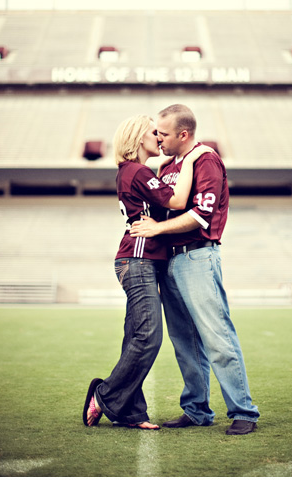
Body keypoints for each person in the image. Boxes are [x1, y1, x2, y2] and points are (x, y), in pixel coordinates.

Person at [130, 103, 259, 435]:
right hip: (170, 259)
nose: (158, 138)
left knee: (216, 336)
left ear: (183, 134)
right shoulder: (169, 165)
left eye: (164, 133)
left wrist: (156, 229)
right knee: (183, 341)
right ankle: (197, 409)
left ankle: (243, 410)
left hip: (197, 256)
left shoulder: (205, 159)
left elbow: (201, 214)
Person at [84, 115, 211, 430]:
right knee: (148, 337)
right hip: (137, 261)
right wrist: (192, 157)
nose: (159, 136)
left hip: (141, 260)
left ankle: (131, 412)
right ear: (138, 138)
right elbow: (179, 200)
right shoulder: (137, 171)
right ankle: (104, 396)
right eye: (153, 132)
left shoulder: (136, 172)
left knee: (134, 337)